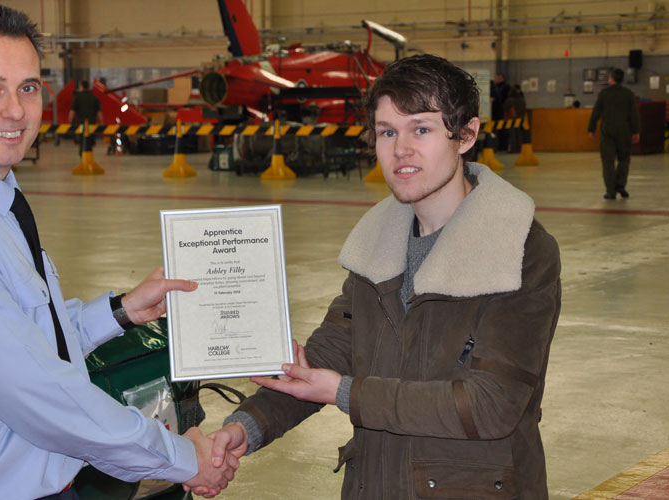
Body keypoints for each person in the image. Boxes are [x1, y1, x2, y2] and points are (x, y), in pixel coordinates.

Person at [0, 4, 238, 499]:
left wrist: (120, 311)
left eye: (29, 87)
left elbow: (30, 341)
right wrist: (184, 460)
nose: (15, 110)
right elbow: (42, 395)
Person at [211, 54, 562, 499]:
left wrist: (344, 392)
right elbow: (329, 356)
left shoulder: (520, 249)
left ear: (467, 135)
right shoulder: (377, 245)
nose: (400, 150)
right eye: (387, 132)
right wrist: (249, 426)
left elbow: (491, 404)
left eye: (421, 129)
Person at [587, 68, 640, 200]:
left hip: (608, 131)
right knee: (624, 159)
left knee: (608, 162)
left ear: (611, 78)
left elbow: (596, 112)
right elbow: (634, 114)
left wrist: (591, 129)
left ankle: (611, 191)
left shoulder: (604, 93)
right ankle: (620, 185)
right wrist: (636, 131)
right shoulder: (628, 94)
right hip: (624, 131)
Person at [68, 79, 102, 149]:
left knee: (82, 142)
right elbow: (99, 112)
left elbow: (72, 111)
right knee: (90, 142)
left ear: (82, 86)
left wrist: (70, 122)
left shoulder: (77, 97)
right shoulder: (94, 97)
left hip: (81, 124)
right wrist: (102, 123)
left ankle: (83, 156)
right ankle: (88, 155)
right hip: (92, 124)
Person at [490, 72, 511, 151]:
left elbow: (503, 99)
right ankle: (499, 146)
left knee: (503, 130)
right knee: (497, 131)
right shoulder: (496, 87)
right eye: (497, 78)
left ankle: (504, 146)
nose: (497, 79)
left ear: (502, 78)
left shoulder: (506, 87)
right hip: (495, 112)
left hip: (502, 111)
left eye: (499, 78)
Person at [503, 84, 527, 153]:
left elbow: (505, 108)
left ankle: (513, 149)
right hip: (520, 119)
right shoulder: (522, 100)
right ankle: (519, 149)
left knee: (512, 135)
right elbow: (524, 110)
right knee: (519, 135)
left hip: (512, 119)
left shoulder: (510, 100)